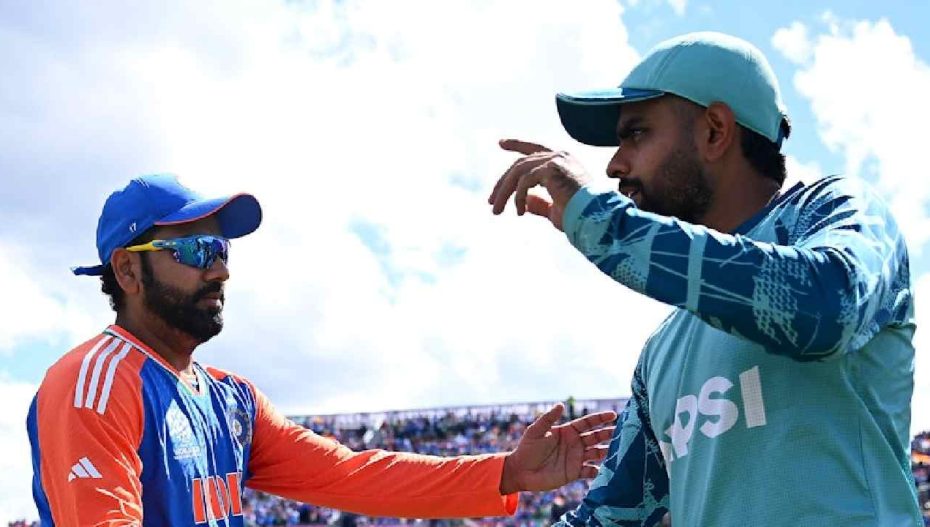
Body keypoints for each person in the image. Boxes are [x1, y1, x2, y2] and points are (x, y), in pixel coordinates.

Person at [488, 32, 920, 526]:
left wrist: (606, 225)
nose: (614, 165)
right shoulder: (662, 350)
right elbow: (606, 519)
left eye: (636, 134)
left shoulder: (834, 213)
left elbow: (824, 308)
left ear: (715, 131)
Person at [27, 174, 617, 526]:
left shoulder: (231, 399)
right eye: (196, 251)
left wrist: (507, 471)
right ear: (127, 271)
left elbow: (350, 475)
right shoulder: (92, 383)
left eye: (223, 251)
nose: (220, 271)